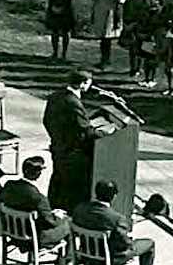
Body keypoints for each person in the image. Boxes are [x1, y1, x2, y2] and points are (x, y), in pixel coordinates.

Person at [42, 68, 118, 212]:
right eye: (89, 82)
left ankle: (55, 206)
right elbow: (86, 130)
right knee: (74, 183)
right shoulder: (73, 102)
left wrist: (58, 137)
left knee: (59, 177)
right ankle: (73, 210)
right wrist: (105, 133)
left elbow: (47, 121)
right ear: (83, 84)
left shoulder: (56, 96)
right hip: (73, 152)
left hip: (58, 146)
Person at [67, 178, 160, 265]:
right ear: (113, 196)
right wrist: (130, 241)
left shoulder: (80, 210)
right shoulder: (116, 218)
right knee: (149, 244)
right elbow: (124, 244)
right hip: (110, 259)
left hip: (85, 256)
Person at [0, 155, 72, 253]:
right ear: (39, 173)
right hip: (34, 237)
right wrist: (59, 217)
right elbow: (50, 222)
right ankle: (63, 264)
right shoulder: (38, 198)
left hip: (13, 233)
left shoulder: (9, 185)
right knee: (69, 224)